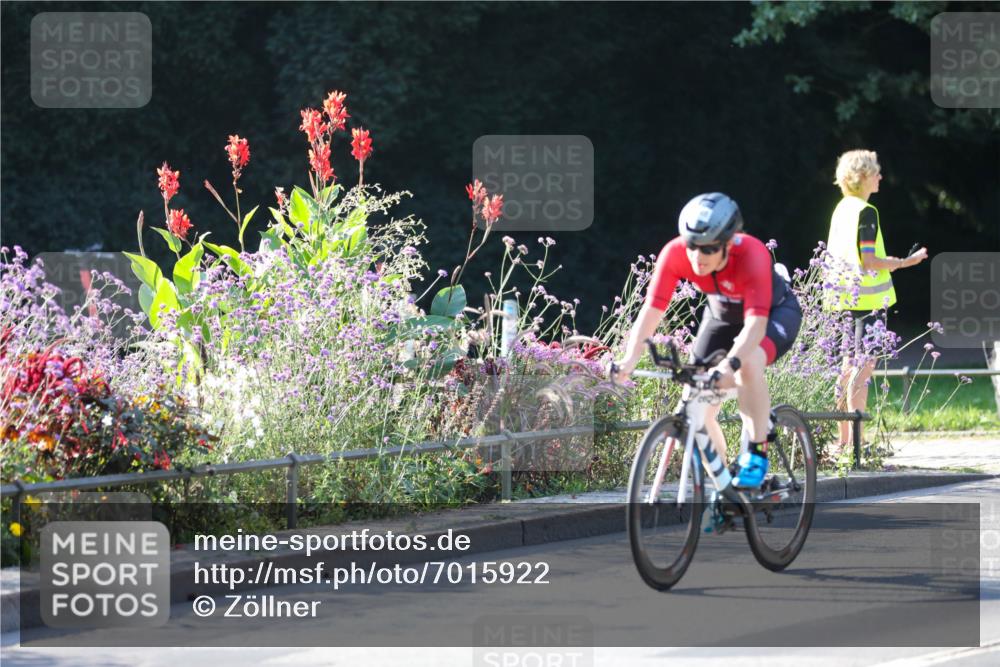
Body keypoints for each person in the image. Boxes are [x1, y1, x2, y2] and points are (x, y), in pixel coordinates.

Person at [613, 193, 802, 488]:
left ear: (729, 242)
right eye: (692, 246)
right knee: (695, 401)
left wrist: (729, 365)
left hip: (774, 312)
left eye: (709, 249)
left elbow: (755, 326)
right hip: (722, 313)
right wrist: (629, 359)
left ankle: (757, 451)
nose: (698, 257)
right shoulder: (674, 253)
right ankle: (724, 485)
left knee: (746, 365)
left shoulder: (751, 254)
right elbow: (652, 309)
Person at [824, 150, 927, 456]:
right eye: (876, 172)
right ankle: (857, 443)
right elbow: (869, 260)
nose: (881, 176)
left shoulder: (841, 209)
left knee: (845, 370)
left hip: (839, 301)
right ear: (862, 176)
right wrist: (905, 262)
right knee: (862, 370)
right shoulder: (867, 212)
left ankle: (843, 441)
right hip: (866, 304)